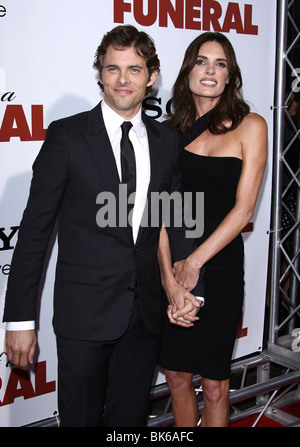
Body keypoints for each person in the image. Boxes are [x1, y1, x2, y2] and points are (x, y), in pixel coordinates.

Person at [2, 25, 204, 427]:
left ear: (152, 76)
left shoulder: (166, 142)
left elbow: (174, 221)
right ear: (99, 74)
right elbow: (35, 233)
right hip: (84, 316)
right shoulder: (68, 136)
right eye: (113, 69)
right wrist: (20, 320)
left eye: (134, 69)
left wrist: (184, 288)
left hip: (144, 316)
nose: (123, 80)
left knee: (129, 424)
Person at [158, 32, 268, 427]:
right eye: (201, 61)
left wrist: (196, 263)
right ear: (188, 71)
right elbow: (160, 214)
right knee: (175, 375)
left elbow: (245, 208)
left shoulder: (250, 125)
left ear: (229, 76)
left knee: (217, 384)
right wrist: (172, 277)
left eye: (220, 64)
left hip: (218, 266)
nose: (210, 70)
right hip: (172, 265)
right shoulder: (167, 134)